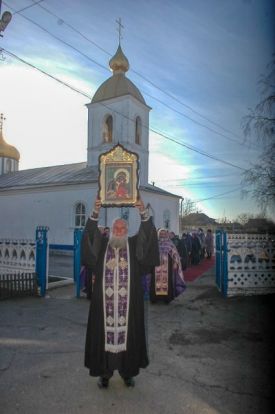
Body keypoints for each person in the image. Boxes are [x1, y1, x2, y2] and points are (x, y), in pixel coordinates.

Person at [81, 197, 159, 389]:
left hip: (129, 304)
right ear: (111, 230)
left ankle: (127, 373)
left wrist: (143, 213)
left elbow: (148, 237)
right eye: (116, 228)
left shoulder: (133, 246)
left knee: (129, 337)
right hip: (103, 304)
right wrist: (95, 213)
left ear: (127, 231)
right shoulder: (102, 246)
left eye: (123, 228)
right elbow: (89, 237)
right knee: (102, 337)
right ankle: (105, 374)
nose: (119, 230)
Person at [150, 228, 186, 304]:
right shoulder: (155, 243)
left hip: (167, 267)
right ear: (158, 234)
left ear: (166, 234)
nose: (162, 235)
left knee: (166, 282)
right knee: (155, 282)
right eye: (161, 234)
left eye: (164, 233)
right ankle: (155, 298)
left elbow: (175, 254)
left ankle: (166, 299)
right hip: (156, 267)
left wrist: (175, 263)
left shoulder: (170, 243)